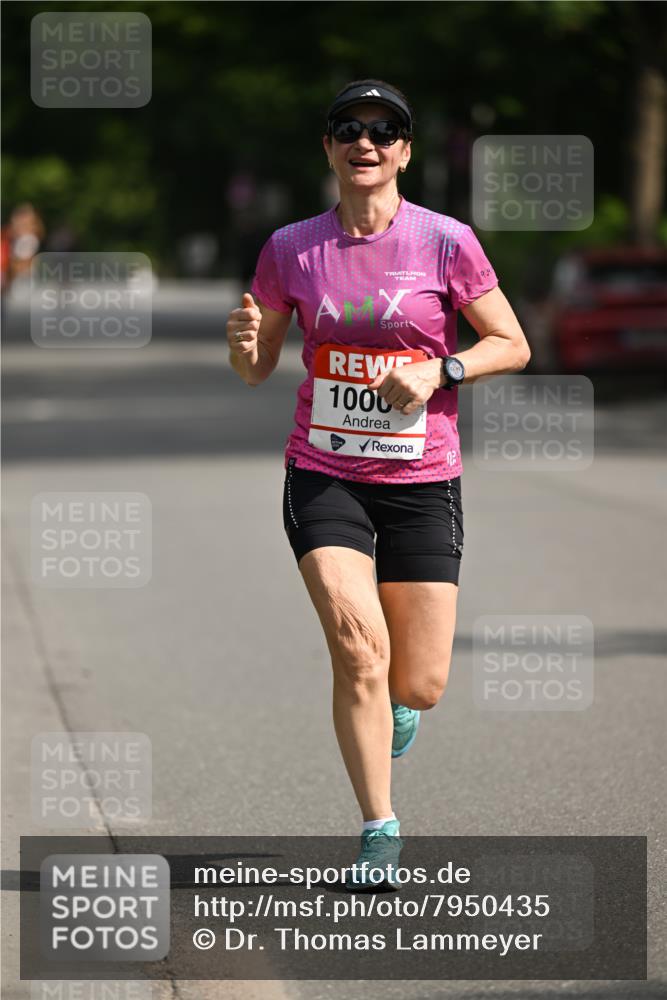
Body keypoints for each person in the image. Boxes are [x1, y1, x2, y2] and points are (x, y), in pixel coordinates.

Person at [226, 79, 530, 890]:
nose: (365, 142)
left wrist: (442, 368)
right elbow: (256, 370)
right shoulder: (292, 247)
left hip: (423, 477)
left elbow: (511, 342)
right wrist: (245, 340)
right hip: (324, 471)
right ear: (327, 147)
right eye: (347, 129)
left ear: (404, 149)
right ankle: (378, 830)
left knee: (418, 682)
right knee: (358, 650)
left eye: (383, 129)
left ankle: (398, 709)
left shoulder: (445, 241)